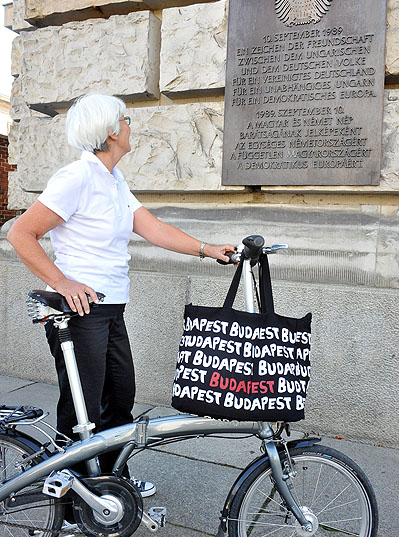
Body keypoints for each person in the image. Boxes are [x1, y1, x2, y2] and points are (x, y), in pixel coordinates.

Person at [7, 93, 235, 498]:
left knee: (119, 399)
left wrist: (208, 249)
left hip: (111, 310)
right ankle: (71, 491)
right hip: (79, 313)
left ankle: (110, 483)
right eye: (126, 120)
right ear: (112, 131)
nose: (131, 126)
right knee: (83, 410)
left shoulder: (113, 180)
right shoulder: (75, 178)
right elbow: (21, 233)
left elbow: (154, 228)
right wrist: (62, 282)